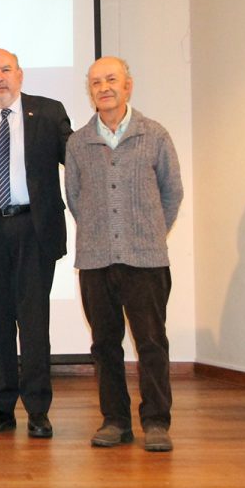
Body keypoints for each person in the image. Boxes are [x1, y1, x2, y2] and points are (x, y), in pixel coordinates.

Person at [65, 56, 183, 452]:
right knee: (104, 345)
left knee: (151, 341)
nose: (104, 88)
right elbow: (76, 198)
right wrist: (104, 234)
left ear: (128, 85)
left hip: (146, 261)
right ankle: (115, 420)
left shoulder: (155, 135)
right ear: (90, 91)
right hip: (96, 260)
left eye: (111, 79)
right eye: (96, 82)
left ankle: (156, 421)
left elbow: (172, 192)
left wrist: (148, 233)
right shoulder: (78, 142)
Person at [0, 48, 72, 436]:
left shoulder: (49, 113)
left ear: (20, 75)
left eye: (5, 69)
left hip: (34, 230)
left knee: (35, 324)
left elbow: (78, 165)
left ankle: (38, 411)